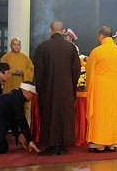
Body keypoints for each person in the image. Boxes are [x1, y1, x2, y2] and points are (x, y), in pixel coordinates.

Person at [33, 20, 81, 156]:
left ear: (50, 30)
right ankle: (63, 146)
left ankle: (52, 146)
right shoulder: (71, 48)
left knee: (50, 116)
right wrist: (71, 87)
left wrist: (41, 89)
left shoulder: (43, 47)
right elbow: (76, 70)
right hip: (66, 89)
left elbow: (39, 71)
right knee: (64, 117)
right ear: (63, 30)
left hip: (49, 90)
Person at [86, 26, 117, 152]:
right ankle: (112, 142)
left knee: (100, 113)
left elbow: (90, 71)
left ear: (101, 35)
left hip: (100, 87)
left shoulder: (97, 51)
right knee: (112, 113)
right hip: (114, 88)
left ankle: (100, 142)